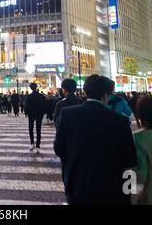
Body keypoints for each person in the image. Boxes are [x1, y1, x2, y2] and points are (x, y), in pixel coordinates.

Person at [55, 75, 137, 205]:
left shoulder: (67, 114)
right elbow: (130, 158)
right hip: (111, 187)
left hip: (77, 184)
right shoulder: (120, 121)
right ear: (106, 95)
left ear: (86, 92)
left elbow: (59, 148)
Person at [24, 83, 47, 153]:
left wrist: (26, 113)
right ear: (36, 87)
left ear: (31, 88)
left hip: (31, 114)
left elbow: (26, 105)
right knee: (38, 129)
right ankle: (38, 145)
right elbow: (44, 105)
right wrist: (43, 113)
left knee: (31, 129)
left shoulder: (29, 96)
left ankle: (32, 143)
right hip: (39, 114)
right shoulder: (41, 96)